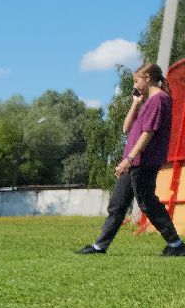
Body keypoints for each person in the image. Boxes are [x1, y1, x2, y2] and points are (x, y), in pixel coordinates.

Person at [78, 62, 185, 257]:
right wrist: (135, 102)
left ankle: (176, 244)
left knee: (147, 203)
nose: (135, 85)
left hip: (143, 161)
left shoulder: (158, 100)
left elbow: (148, 133)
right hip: (133, 162)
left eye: (137, 80)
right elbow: (126, 129)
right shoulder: (147, 101)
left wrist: (129, 158)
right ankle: (99, 247)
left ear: (147, 79)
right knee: (117, 204)